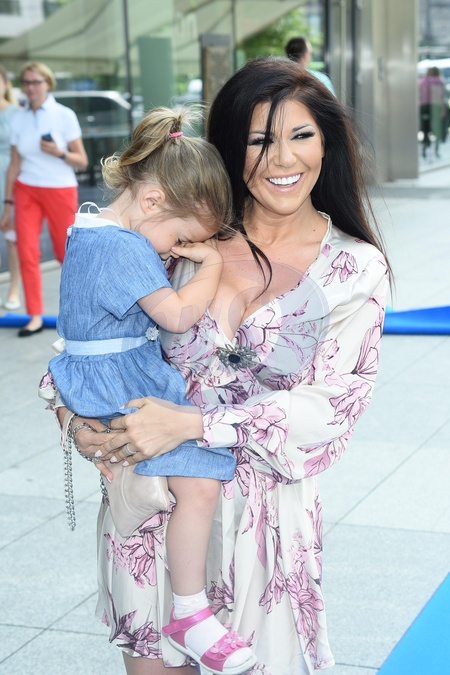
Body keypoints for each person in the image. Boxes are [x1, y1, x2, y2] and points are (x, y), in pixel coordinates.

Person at [43, 57, 389, 674]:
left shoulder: (354, 268)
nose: (282, 159)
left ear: (327, 143)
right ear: (231, 147)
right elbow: (88, 337)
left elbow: (334, 407)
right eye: (259, 140)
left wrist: (194, 425)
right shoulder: (175, 241)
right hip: (154, 504)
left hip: (264, 527)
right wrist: (75, 420)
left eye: (301, 135)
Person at [48, 105, 255, 675]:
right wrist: (210, 264)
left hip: (97, 377)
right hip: (124, 383)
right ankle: (190, 612)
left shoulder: (87, 230)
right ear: (153, 201)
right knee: (201, 482)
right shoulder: (125, 247)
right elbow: (179, 316)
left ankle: (186, 612)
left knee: (185, 485)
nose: (174, 253)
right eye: (181, 239)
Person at [0, 61, 88, 336]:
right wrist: (7, 205)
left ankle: (80, 313)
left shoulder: (64, 115)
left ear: (48, 84)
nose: (31, 87)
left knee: (65, 254)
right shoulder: (18, 118)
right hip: (26, 188)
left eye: (36, 82)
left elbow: (82, 160)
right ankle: (35, 315)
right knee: (26, 252)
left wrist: (58, 152)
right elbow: (14, 164)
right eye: (26, 82)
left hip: (59, 188)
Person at [0, 65, 21, 311]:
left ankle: (14, 288)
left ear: (6, 84)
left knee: (11, 237)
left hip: (10, 179)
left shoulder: (17, 113)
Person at [419, 66, 446, 158]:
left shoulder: (423, 81)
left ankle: (425, 148)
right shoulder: (438, 82)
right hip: (435, 107)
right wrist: (443, 108)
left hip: (424, 107)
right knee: (437, 129)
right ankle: (436, 151)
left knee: (426, 129)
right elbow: (439, 96)